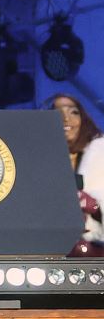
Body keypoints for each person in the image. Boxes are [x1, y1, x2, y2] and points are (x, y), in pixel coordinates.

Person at [51, 92, 104, 243]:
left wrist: (93, 204)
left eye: (73, 112)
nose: (66, 119)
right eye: (57, 113)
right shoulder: (37, 158)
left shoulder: (100, 152)